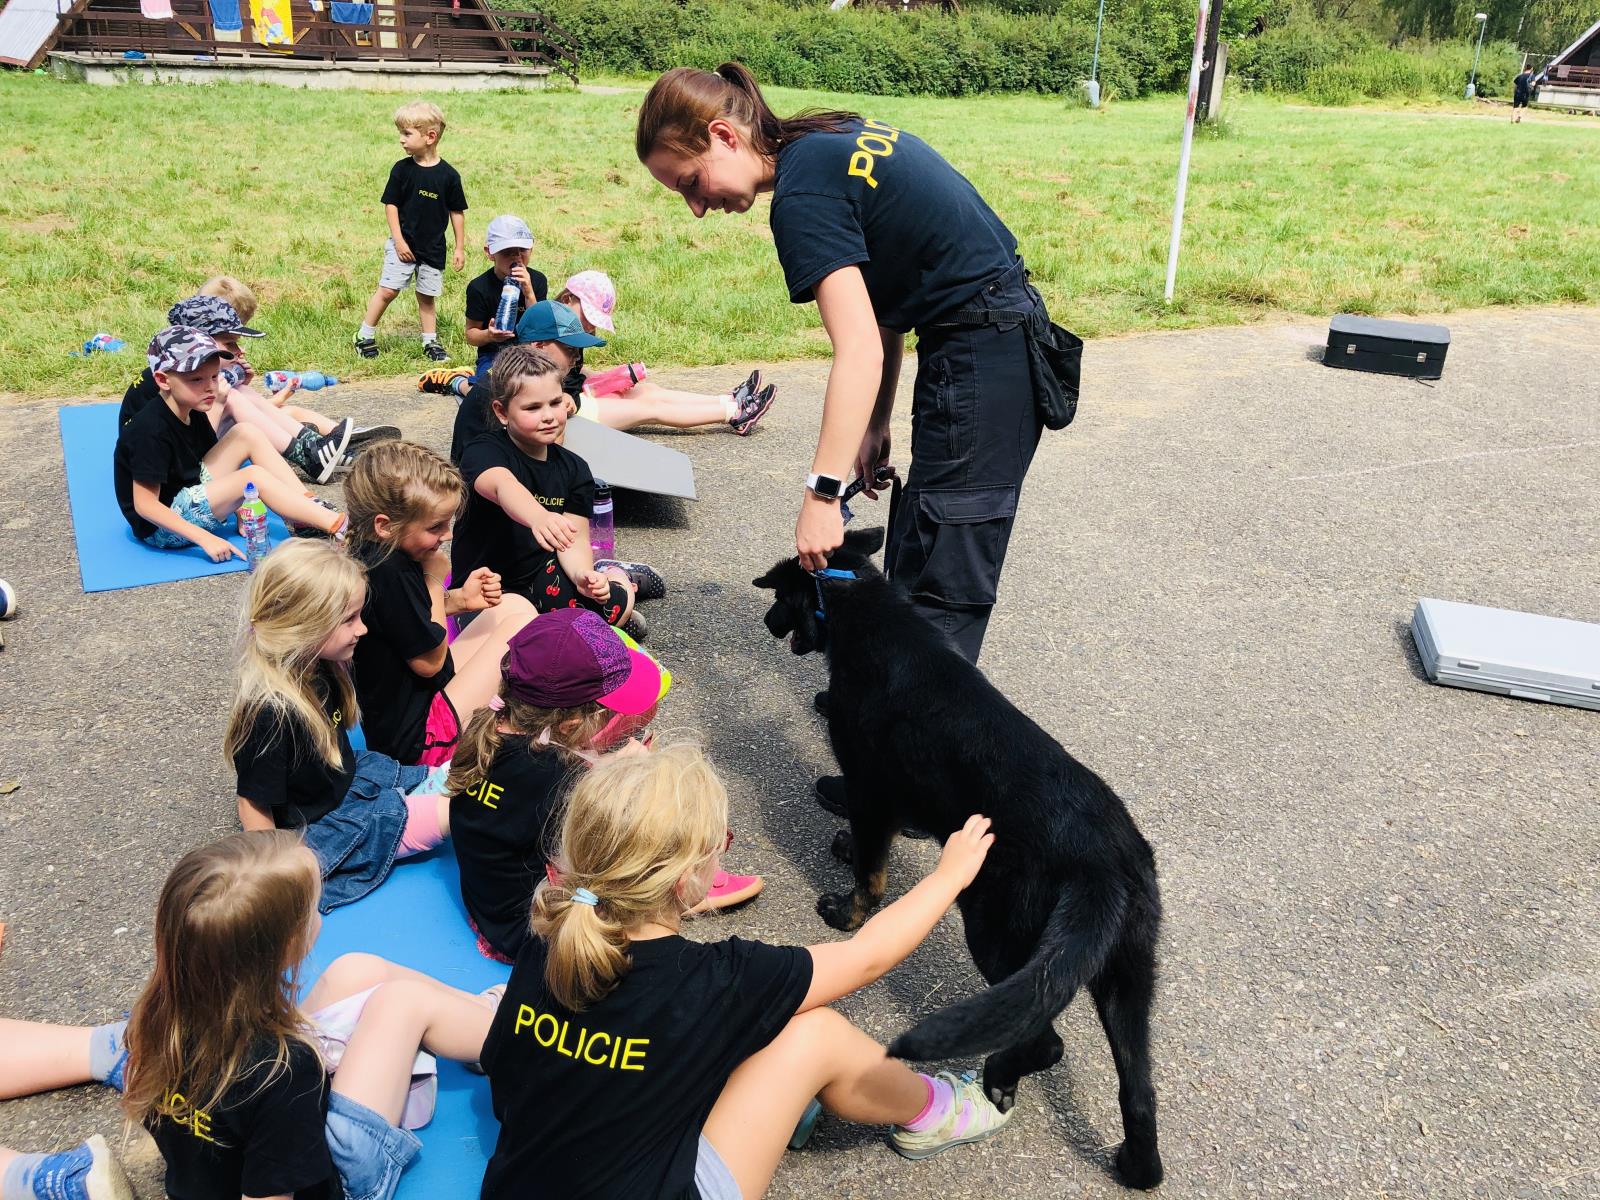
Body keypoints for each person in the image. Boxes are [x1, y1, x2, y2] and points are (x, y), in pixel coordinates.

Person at [639, 63, 1061, 666]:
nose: (696, 207)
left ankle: (919, 743)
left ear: (724, 136)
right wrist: (875, 421)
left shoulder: (802, 196)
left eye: (689, 181)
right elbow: (884, 309)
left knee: (946, 571)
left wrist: (821, 496)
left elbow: (857, 345)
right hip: (980, 335)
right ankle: (886, 716)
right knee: (921, 543)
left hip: (986, 345)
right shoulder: (823, 144)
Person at [479, 745, 1009, 1200]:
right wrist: (948, 876)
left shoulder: (550, 940)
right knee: (814, 1031)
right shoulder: (722, 979)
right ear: (690, 879)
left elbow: (506, 1088)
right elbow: (869, 954)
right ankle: (938, 1113)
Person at [0, 831, 501, 1200]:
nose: (319, 916)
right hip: (339, 1180)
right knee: (399, 1003)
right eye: (313, 909)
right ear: (286, 947)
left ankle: (479, 1013)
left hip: (234, 1144)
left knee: (357, 969)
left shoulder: (162, 1017)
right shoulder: (284, 1073)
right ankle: (508, 1037)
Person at [447, 610, 760, 963]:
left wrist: (601, 767)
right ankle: (673, 887)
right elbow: (604, 823)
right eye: (605, 710)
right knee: (655, 811)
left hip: (491, 910)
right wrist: (626, 776)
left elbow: (530, 796)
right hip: (540, 936)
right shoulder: (560, 779)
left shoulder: (488, 733)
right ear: (571, 723)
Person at [226, 539, 448, 910]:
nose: (362, 629)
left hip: (351, 783)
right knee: (451, 812)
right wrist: (274, 881)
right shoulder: (270, 712)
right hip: (325, 827)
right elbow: (253, 803)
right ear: (302, 624)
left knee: (449, 778)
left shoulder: (319, 664)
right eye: (348, 620)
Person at [342, 439, 537, 765]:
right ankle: (504, 728)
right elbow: (429, 662)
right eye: (435, 527)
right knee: (521, 627)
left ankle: (500, 711)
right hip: (420, 739)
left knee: (513, 605)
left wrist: (459, 599)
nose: (447, 535)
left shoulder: (379, 552)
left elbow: (398, 621)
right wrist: (434, 579)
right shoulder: (390, 572)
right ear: (385, 525)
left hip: (419, 705)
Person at [451, 345, 660, 638]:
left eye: (555, 402)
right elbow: (502, 485)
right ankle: (598, 618)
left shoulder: (575, 469)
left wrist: (583, 576)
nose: (548, 416)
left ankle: (619, 577)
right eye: (532, 408)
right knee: (511, 633)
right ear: (501, 412)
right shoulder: (483, 450)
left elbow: (573, 541)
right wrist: (538, 516)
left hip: (543, 575)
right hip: (484, 587)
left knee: (612, 605)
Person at [114, 327, 348, 561]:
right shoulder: (149, 430)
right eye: (196, 379)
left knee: (245, 432)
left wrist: (236, 506)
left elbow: (207, 462)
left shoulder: (193, 406)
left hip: (186, 490)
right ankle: (340, 527)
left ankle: (306, 507)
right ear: (163, 380)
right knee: (252, 476)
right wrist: (205, 538)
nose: (210, 387)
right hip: (161, 529)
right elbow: (145, 506)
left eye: (214, 376)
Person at [119, 295, 355, 484]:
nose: (239, 351)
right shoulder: (176, 382)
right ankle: (310, 455)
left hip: (182, 443)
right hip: (167, 462)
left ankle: (316, 448)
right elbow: (198, 441)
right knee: (232, 396)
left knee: (240, 392)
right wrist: (223, 398)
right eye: (229, 344)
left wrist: (242, 381)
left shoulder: (182, 373)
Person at [198, 277, 402, 464]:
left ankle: (340, 442)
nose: (240, 349)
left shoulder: (211, 376)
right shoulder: (194, 380)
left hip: (230, 427)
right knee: (276, 411)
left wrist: (250, 385)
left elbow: (240, 409)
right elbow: (217, 419)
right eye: (230, 341)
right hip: (219, 445)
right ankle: (316, 452)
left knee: (291, 412)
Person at [354, 101, 468, 362]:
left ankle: (430, 343)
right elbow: (391, 206)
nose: (401, 140)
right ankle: (364, 335)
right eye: (401, 133)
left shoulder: (449, 176)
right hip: (402, 245)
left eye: (407, 134)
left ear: (430, 137)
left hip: (433, 249)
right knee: (388, 290)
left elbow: (457, 212)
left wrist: (459, 247)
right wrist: (398, 241)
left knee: (427, 296)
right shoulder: (402, 170)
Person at [438, 300, 605, 466]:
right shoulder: (506, 390)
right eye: (570, 349)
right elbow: (544, 449)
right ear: (538, 346)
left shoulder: (529, 376)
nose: (577, 358)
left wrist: (568, 396)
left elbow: (574, 381)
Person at [459, 213, 549, 380]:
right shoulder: (479, 287)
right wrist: (489, 335)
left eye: (522, 250)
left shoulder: (537, 281)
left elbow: (540, 328)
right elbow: (471, 335)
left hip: (530, 349)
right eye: (507, 251)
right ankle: (458, 383)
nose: (516, 257)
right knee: (489, 388)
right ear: (490, 252)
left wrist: (528, 292)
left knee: (548, 379)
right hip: (494, 353)